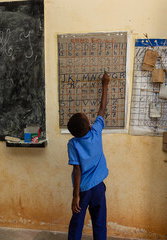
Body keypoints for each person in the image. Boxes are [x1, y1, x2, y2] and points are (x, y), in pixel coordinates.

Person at [67, 72, 110, 240]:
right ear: (89, 126)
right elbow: (102, 108)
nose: (90, 120)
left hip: (83, 189)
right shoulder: (96, 132)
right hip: (99, 187)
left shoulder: (73, 143)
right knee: (99, 222)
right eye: (87, 119)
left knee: (77, 222)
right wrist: (105, 85)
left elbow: (77, 170)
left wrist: (75, 195)